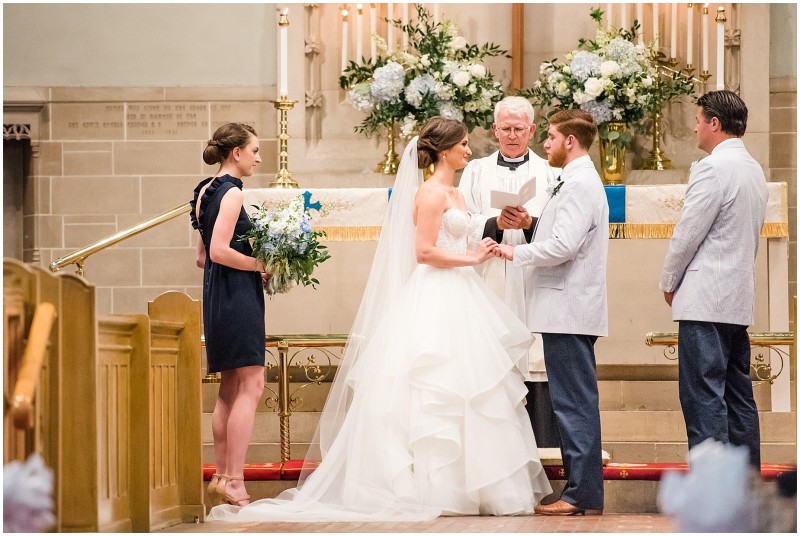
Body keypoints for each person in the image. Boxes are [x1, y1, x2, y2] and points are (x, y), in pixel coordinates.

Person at [208, 116, 551, 522]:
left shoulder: (456, 194)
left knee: (473, 389)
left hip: (462, 294)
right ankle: (430, 486)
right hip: (436, 291)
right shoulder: (428, 193)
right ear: (443, 150)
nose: (468, 150)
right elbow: (424, 252)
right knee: (433, 386)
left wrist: (484, 244)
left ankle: (474, 486)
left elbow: (457, 237)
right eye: (461, 144)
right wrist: (471, 257)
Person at [498, 109, 608, 516]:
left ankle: (581, 494)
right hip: (567, 307)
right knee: (572, 402)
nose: (544, 143)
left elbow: (564, 247)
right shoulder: (576, 179)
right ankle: (582, 491)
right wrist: (533, 224)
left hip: (569, 307)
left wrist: (515, 250)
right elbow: (563, 232)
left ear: (570, 142)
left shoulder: (579, 183)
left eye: (550, 136)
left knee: (574, 403)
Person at [659, 90, 767, 469]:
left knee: (703, 395)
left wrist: (669, 280)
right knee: (739, 396)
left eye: (697, 120)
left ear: (714, 124)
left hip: (705, 298)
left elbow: (688, 232)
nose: (694, 127)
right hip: (737, 297)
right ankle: (747, 489)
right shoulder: (753, 167)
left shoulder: (712, 167)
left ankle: (712, 494)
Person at [458, 95, 561, 449]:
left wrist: (531, 223)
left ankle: (542, 450)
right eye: (506, 128)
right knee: (492, 357)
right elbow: (461, 221)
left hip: (534, 276)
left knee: (536, 355)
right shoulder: (475, 171)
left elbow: (563, 227)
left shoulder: (552, 173)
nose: (512, 135)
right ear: (494, 130)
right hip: (491, 277)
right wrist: (495, 223)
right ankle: (493, 449)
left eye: (519, 128)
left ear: (532, 130)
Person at [190, 122, 267, 507]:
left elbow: (202, 257)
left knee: (229, 388)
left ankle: (223, 476)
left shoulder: (204, 190)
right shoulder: (233, 193)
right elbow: (219, 251)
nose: (258, 157)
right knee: (252, 385)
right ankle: (234, 479)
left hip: (215, 296)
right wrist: (260, 265)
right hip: (237, 295)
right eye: (254, 150)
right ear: (236, 153)